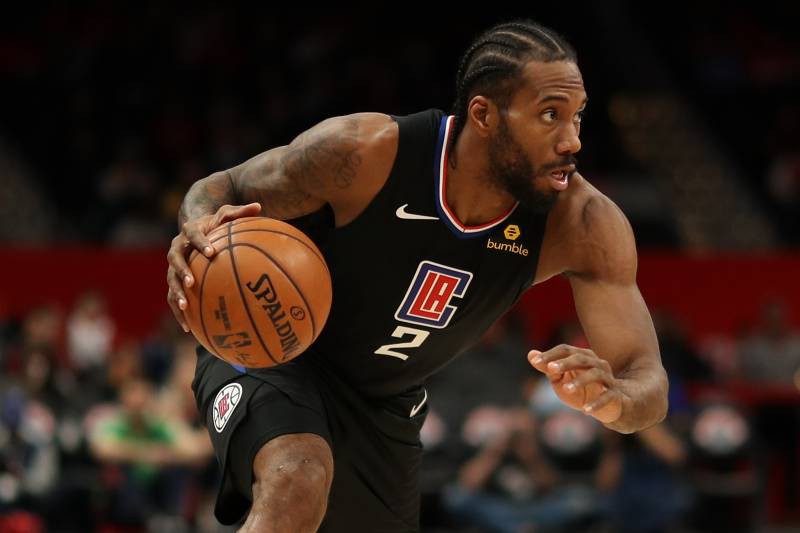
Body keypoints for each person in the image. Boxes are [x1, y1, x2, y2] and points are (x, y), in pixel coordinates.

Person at [166, 19, 669, 532]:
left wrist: (614, 399)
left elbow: (648, 385)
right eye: (550, 115)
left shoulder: (582, 223)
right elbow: (222, 187)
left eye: (577, 116)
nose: (572, 140)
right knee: (297, 477)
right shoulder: (364, 152)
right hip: (272, 346)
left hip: (385, 399)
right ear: (484, 115)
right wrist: (197, 230)